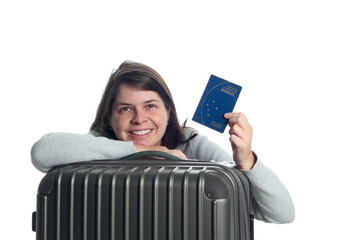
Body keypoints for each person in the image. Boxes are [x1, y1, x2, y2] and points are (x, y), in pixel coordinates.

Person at [31, 60, 295, 224]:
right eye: (125, 109)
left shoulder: (190, 144)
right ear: (109, 118)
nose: (139, 119)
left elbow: (282, 213)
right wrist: (143, 150)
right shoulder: (101, 142)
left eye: (150, 106)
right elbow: (42, 153)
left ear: (169, 112)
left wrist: (247, 160)